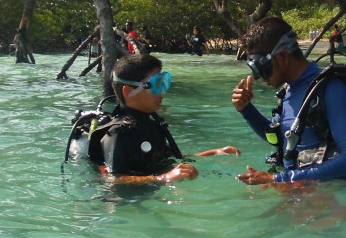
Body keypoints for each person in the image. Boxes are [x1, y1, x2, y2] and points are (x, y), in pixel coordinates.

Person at [231, 17, 346, 185]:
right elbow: (280, 139)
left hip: (329, 199)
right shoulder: (288, 91)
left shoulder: (331, 89)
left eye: (262, 68)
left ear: (282, 57)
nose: (258, 77)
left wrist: (277, 178)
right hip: (300, 192)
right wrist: (246, 110)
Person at [97, 53, 239, 185]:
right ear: (129, 92)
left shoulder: (153, 125)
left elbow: (167, 160)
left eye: (164, 82)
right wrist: (163, 178)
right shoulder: (118, 133)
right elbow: (113, 178)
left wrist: (213, 153)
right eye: (156, 84)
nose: (163, 92)